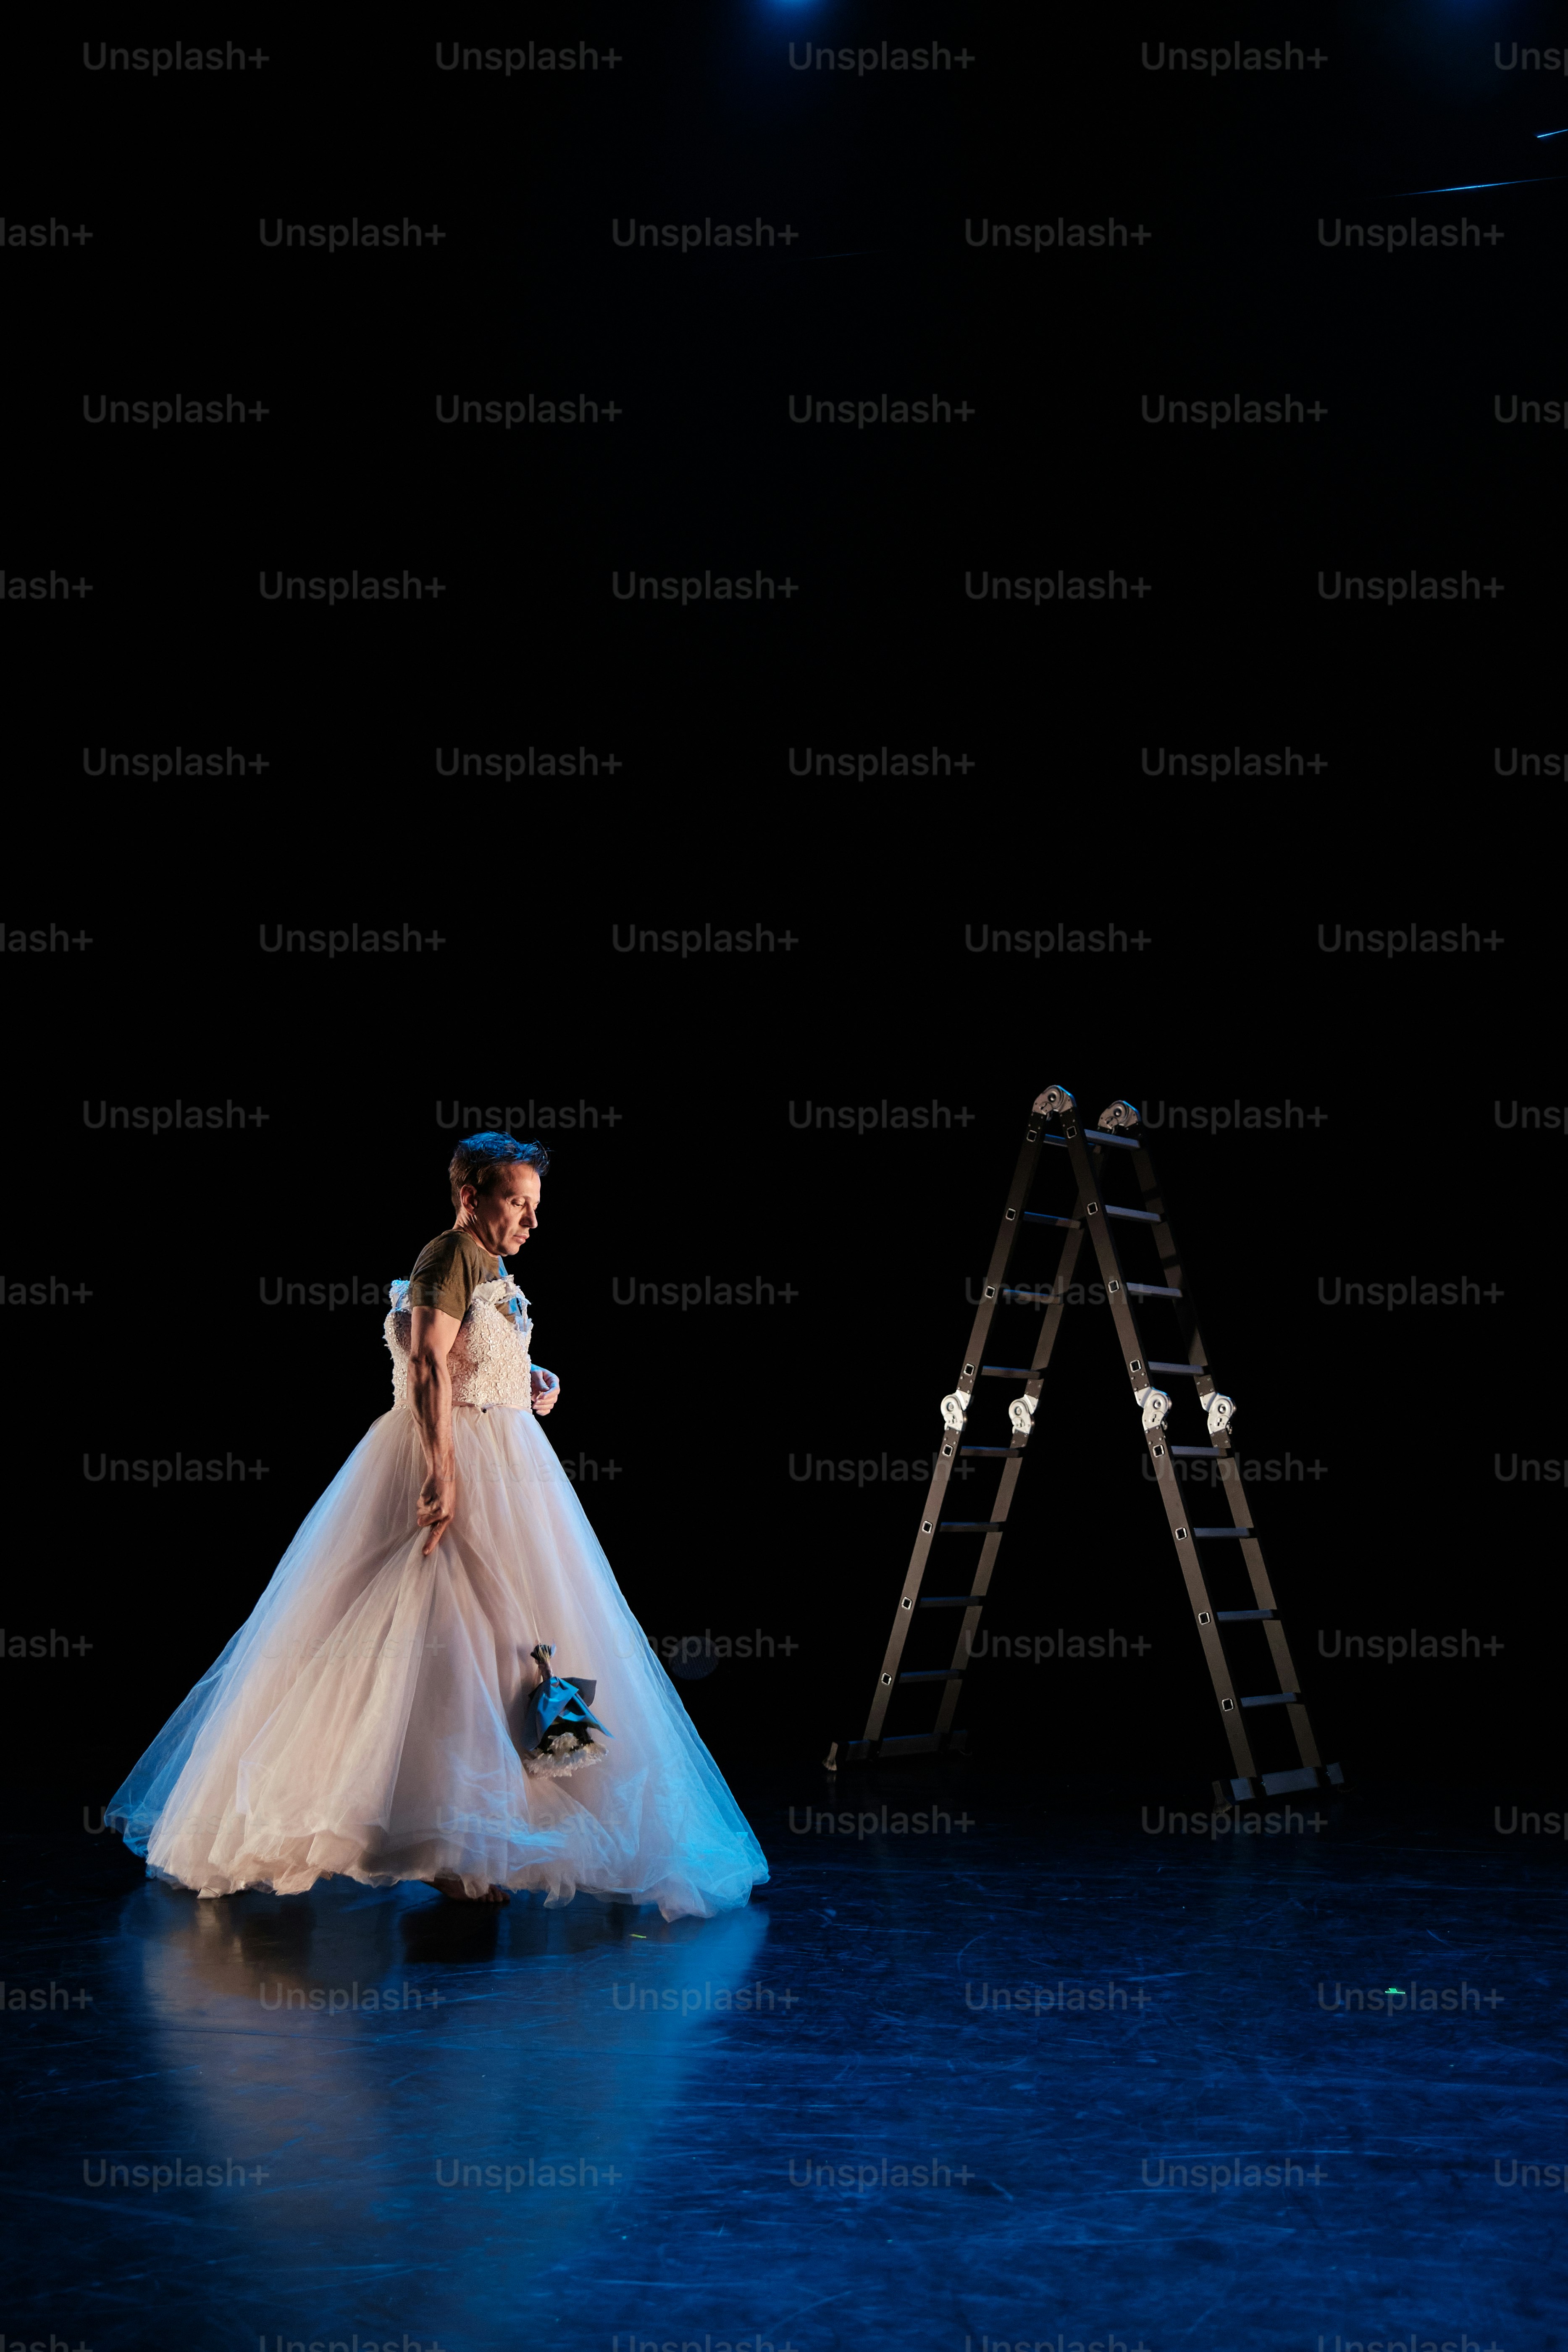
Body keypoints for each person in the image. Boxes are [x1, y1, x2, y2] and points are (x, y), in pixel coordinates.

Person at [106, 1132, 769, 1920]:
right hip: (452, 1461)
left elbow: (470, 1360)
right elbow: (425, 1366)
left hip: (508, 1463)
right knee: (444, 1642)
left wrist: (529, 1380)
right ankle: (443, 1843)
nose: (529, 1220)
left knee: (504, 1644)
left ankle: (481, 1833)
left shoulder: (490, 1268)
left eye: (533, 1205)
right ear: (470, 1197)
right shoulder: (445, 1256)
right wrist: (442, 1477)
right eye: (514, 1202)